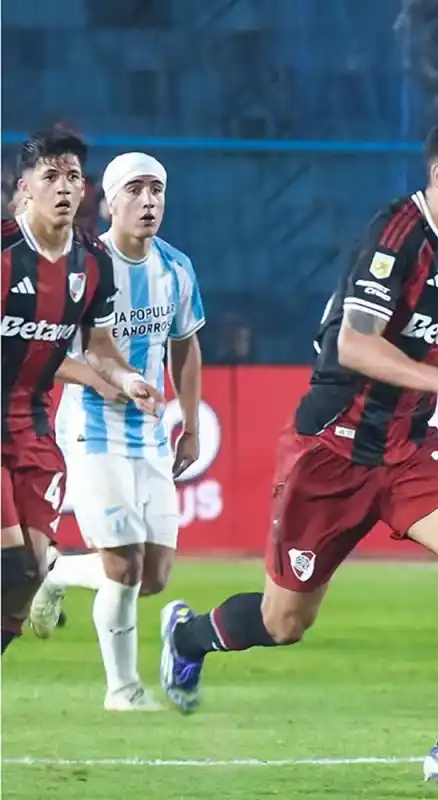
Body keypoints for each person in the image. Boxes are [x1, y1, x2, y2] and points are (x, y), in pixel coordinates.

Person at [158, 113, 438, 786]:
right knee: (284, 620)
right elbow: (354, 343)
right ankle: (188, 636)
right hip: (333, 451)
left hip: (408, 448)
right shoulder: (396, 237)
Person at [29, 153, 206, 713]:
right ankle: (123, 691)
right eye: (136, 189)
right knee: (123, 563)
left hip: (149, 431)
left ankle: (55, 571)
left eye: (158, 189)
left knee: (153, 574)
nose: (149, 201)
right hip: (92, 426)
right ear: (109, 199)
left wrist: (192, 426)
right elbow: (42, 347)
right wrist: (102, 382)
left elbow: (186, 345)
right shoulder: (82, 266)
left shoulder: (176, 268)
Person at [1, 129, 165, 655]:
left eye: (72, 176)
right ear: (25, 188)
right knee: (8, 562)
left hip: (33, 428)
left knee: (31, 571)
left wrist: (128, 377)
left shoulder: (93, 262)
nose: (64, 187)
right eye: (50, 177)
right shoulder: (4, 252)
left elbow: (98, 345)